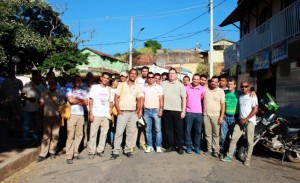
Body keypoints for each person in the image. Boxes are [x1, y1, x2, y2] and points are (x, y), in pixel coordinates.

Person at [221, 81, 258, 166]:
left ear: (249, 87)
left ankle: (248, 159)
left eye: (246, 86)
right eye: (242, 86)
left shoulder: (252, 96)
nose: (244, 88)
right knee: (233, 138)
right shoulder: (240, 96)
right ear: (240, 87)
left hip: (250, 121)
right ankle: (229, 156)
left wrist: (246, 119)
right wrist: (242, 120)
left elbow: (255, 110)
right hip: (240, 121)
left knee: (249, 141)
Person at [111, 69, 142, 160]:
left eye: (135, 74)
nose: (133, 75)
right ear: (129, 74)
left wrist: (138, 110)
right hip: (123, 112)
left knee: (130, 133)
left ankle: (127, 150)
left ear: (136, 76)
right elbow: (116, 98)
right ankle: (116, 151)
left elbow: (140, 99)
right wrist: (118, 110)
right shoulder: (122, 85)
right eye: (131, 73)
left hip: (132, 113)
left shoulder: (137, 87)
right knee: (119, 132)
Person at [37, 77, 65, 162]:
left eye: (53, 83)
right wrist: (40, 118)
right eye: (50, 83)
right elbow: (41, 106)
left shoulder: (60, 93)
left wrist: (62, 118)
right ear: (48, 84)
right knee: (45, 136)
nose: (52, 84)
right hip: (46, 117)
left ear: (56, 84)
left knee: (55, 135)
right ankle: (43, 154)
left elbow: (63, 106)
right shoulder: (44, 93)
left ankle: (52, 151)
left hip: (56, 117)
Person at [161, 68, 186, 155]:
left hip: (177, 110)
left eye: (173, 73)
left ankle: (180, 147)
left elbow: (184, 98)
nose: (171, 75)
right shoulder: (163, 84)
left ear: (176, 74)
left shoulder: (180, 85)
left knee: (178, 129)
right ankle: (171, 145)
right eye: (170, 73)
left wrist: (183, 111)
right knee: (169, 129)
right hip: (166, 110)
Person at [88, 72, 113, 159]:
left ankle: (100, 150)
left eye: (107, 78)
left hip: (105, 115)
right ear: (101, 78)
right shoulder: (95, 88)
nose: (106, 79)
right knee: (93, 134)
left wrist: (110, 109)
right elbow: (91, 101)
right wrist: (91, 113)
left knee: (103, 134)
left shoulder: (109, 89)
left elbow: (110, 101)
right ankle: (91, 151)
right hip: (96, 114)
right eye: (104, 78)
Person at [20, 70, 47, 147]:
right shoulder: (27, 85)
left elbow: (45, 96)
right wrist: (29, 99)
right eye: (38, 75)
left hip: (37, 109)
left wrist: (41, 101)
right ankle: (24, 142)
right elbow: (22, 95)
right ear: (34, 76)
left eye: (40, 75)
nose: (40, 77)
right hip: (28, 109)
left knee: (37, 126)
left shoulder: (42, 86)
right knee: (26, 126)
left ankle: (36, 141)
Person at [65, 76, 88, 164]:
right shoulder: (69, 90)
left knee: (79, 135)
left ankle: (75, 152)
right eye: (76, 80)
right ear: (73, 81)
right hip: (72, 115)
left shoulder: (83, 91)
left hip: (80, 115)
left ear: (81, 82)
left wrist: (76, 100)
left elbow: (86, 102)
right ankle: (69, 155)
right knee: (70, 135)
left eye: (79, 80)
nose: (77, 82)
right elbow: (70, 100)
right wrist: (80, 100)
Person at [141, 72, 164, 153]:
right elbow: (142, 99)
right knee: (148, 129)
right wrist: (141, 109)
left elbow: (161, 99)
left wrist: (161, 110)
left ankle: (158, 146)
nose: (150, 79)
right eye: (149, 77)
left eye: (152, 77)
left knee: (158, 129)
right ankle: (150, 145)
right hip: (146, 111)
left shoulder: (159, 87)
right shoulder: (144, 87)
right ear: (147, 78)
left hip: (156, 110)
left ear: (154, 78)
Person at [203, 76, 225, 157]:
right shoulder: (205, 90)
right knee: (207, 133)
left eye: (216, 82)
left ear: (218, 83)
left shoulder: (221, 91)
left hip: (216, 115)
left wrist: (221, 116)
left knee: (216, 134)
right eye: (212, 81)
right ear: (210, 81)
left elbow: (223, 105)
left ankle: (216, 150)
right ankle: (209, 149)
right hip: (206, 115)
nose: (213, 83)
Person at [220, 78, 242, 156]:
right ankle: (224, 151)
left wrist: (252, 92)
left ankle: (233, 152)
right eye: (228, 84)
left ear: (235, 85)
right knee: (224, 136)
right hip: (225, 116)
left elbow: (248, 93)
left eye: (231, 84)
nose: (229, 85)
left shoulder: (239, 93)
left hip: (234, 117)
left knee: (233, 137)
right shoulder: (224, 92)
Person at [185, 74, 205, 154]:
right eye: (194, 79)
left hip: (198, 113)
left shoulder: (202, 89)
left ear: (199, 80)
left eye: (197, 79)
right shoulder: (186, 88)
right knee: (188, 131)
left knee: (198, 131)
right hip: (189, 112)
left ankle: (197, 147)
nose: (195, 81)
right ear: (192, 79)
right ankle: (189, 147)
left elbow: (202, 99)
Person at [0, 69, 23, 137]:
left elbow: (23, 91)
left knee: (17, 117)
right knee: (8, 117)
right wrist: (2, 100)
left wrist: (20, 99)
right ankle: (10, 130)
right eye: (10, 72)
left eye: (12, 72)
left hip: (16, 101)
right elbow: (1, 91)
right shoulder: (5, 82)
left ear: (14, 73)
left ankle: (18, 130)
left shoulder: (18, 81)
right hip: (7, 101)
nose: (11, 73)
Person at [81, 72, 95, 148]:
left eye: (91, 77)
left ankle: (92, 142)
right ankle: (84, 142)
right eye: (88, 77)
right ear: (86, 78)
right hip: (85, 110)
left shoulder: (96, 86)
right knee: (85, 127)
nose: (89, 79)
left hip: (94, 110)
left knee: (93, 127)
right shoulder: (82, 87)